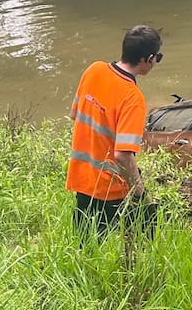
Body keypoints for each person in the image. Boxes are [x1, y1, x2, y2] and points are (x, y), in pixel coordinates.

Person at [67, 25, 162, 238]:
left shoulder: (94, 70)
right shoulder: (132, 98)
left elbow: (75, 114)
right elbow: (122, 155)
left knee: (84, 242)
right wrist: (139, 192)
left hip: (82, 176)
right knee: (144, 233)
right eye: (158, 57)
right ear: (149, 59)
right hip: (110, 188)